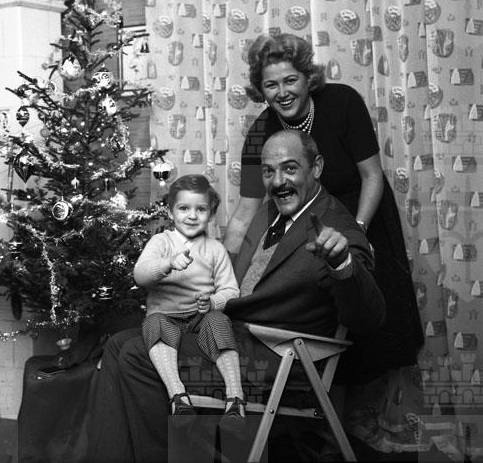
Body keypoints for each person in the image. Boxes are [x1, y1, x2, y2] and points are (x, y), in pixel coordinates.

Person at [87, 131, 386, 463]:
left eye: (290, 168)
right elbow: (236, 281)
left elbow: (370, 317)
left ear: (316, 167)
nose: (278, 181)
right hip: (234, 334)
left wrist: (341, 262)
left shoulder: (337, 226)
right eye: (269, 171)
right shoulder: (270, 212)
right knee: (117, 344)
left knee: (135, 355)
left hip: (279, 360)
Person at [223, 33, 423, 381]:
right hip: (306, 226)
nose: (282, 92)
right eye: (271, 85)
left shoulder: (343, 101)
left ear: (307, 78)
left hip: (361, 213)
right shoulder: (259, 134)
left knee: (373, 316)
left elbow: (372, 175)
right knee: (322, 318)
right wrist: (220, 269)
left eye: (290, 80)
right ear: (260, 89)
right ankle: (325, 401)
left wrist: (358, 231)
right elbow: (246, 210)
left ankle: (378, 406)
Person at [134, 174, 244, 434]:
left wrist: (213, 301)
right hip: (167, 317)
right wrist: (167, 263)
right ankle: (178, 397)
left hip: (200, 317)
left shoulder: (215, 249)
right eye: (184, 208)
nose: (192, 216)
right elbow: (140, 275)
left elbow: (231, 290)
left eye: (201, 209)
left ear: (211, 214)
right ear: (171, 212)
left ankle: (235, 398)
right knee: (154, 323)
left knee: (219, 321)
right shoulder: (161, 242)